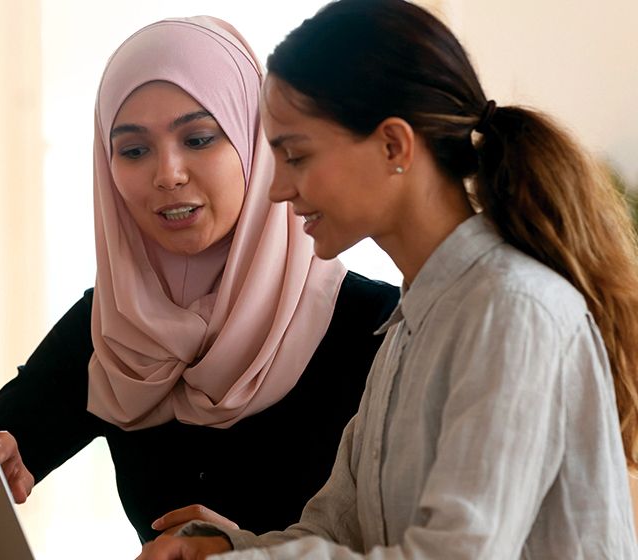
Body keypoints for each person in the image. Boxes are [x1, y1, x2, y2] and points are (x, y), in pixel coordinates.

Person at [137, 0, 638, 558]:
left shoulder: (512, 309)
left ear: (394, 145)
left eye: (296, 155)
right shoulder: (406, 328)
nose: (277, 189)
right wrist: (228, 549)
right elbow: (337, 533)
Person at [0, 16, 398, 543]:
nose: (167, 174)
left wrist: (248, 553)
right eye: (133, 150)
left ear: (258, 143)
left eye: (199, 138)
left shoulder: (380, 328)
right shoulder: (113, 325)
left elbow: (423, 544)